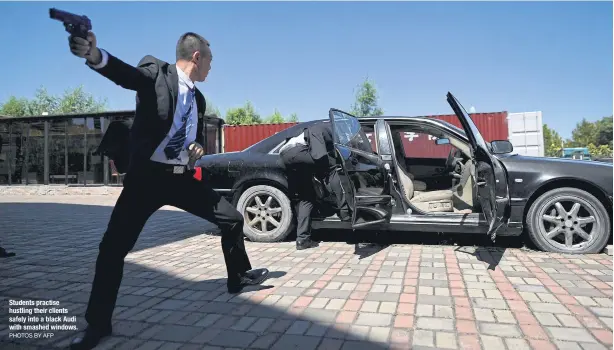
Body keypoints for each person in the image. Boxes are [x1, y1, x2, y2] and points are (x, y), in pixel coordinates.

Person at [67, 31, 270, 349]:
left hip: (180, 179)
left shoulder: (198, 99)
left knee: (231, 218)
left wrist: (198, 146)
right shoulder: (156, 74)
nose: (212, 69)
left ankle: (237, 276)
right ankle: (98, 324)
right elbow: (127, 76)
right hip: (146, 180)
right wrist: (94, 55)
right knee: (112, 250)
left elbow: (197, 134)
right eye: (211, 62)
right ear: (197, 58)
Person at [279, 122, 349, 250]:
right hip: (297, 151)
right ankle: (345, 213)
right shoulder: (323, 128)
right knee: (333, 168)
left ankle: (302, 239)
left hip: (285, 155)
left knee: (307, 198)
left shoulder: (320, 129)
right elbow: (319, 155)